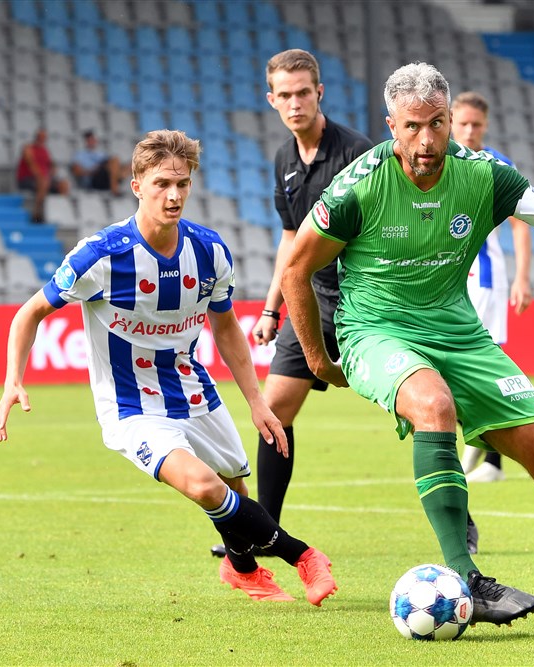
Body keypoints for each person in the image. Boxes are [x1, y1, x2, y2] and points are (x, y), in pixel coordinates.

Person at [281, 62, 534, 627]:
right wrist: (321, 360)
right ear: (390, 124)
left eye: (437, 124)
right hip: (377, 330)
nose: (427, 140)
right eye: (413, 126)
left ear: (450, 121)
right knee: (432, 405)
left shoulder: (484, 175)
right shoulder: (358, 186)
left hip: (460, 333)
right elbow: (296, 268)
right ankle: (465, 577)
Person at [0, 129, 338, 607]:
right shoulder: (101, 255)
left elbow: (225, 329)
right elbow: (29, 313)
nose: (173, 195)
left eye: (182, 183)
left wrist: (257, 401)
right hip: (130, 405)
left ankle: (241, 570)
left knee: (236, 491)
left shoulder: (209, 251)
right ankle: (303, 556)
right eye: (161, 184)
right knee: (204, 486)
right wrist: (14, 378)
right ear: (137, 185)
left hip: (191, 389)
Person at [209, 49, 372, 558]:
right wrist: (272, 308)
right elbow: (289, 240)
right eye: (286, 94)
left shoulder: (358, 154)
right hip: (309, 302)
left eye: (304, 92)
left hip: (367, 304)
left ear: (319, 93)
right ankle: (264, 530)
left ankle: (466, 519)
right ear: (271, 99)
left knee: (425, 409)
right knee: (274, 411)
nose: (295, 102)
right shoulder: (283, 160)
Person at [451, 93, 531, 552]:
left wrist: (522, 277)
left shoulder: (497, 165)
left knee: (485, 363)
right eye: (463, 123)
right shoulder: (441, 160)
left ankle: (487, 457)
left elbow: (522, 224)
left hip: (485, 279)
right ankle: (484, 455)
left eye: (477, 125)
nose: (469, 132)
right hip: (452, 278)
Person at [16, 127, 70, 223]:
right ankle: (37, 214)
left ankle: (58, 213)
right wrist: (43, 177)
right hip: (27, 179)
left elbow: (50, 165)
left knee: (63, 184)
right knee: (43, 182)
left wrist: (52, 171)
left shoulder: (45, 150)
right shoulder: (28, 148)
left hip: (44, 180)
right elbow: (32, 166)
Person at [71, 130, 130, 195]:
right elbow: (77, 172)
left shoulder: (101, 154)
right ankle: (115, 188)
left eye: (93, 139)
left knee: (132, 164)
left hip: (106, 177)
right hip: (93, 179)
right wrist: (93, 171)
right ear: (86, 141)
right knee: (115, 160)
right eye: (90, 140)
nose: (92, 142)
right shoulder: (80, 154)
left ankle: (118, 180)